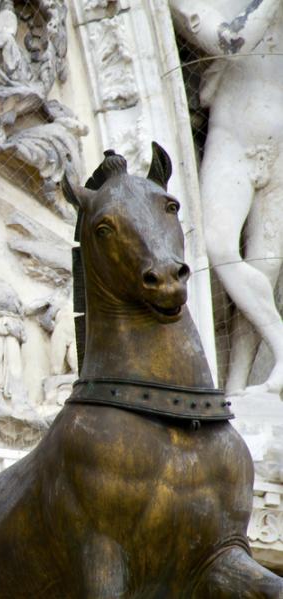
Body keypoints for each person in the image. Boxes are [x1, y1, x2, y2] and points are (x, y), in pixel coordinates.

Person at [170, 0, 283, 395]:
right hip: (234, 133)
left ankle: (238, 388)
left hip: (281, 144)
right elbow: (233, 41)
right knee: (218, 245)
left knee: (266, 266)